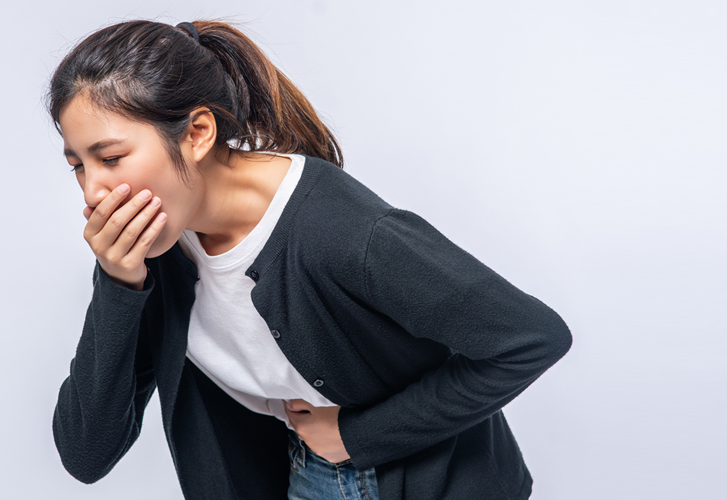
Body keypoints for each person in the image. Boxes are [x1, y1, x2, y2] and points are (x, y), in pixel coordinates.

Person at [47, 19, 572, 500]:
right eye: (77, 166)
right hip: (301, 475)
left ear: (197, 134)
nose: (94, 191)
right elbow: (87, 453)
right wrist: (119, 285)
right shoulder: (152, 247)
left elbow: (531, 338)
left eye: (111, 158)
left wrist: (360, 435)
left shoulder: (340, 231)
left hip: (428, 481)